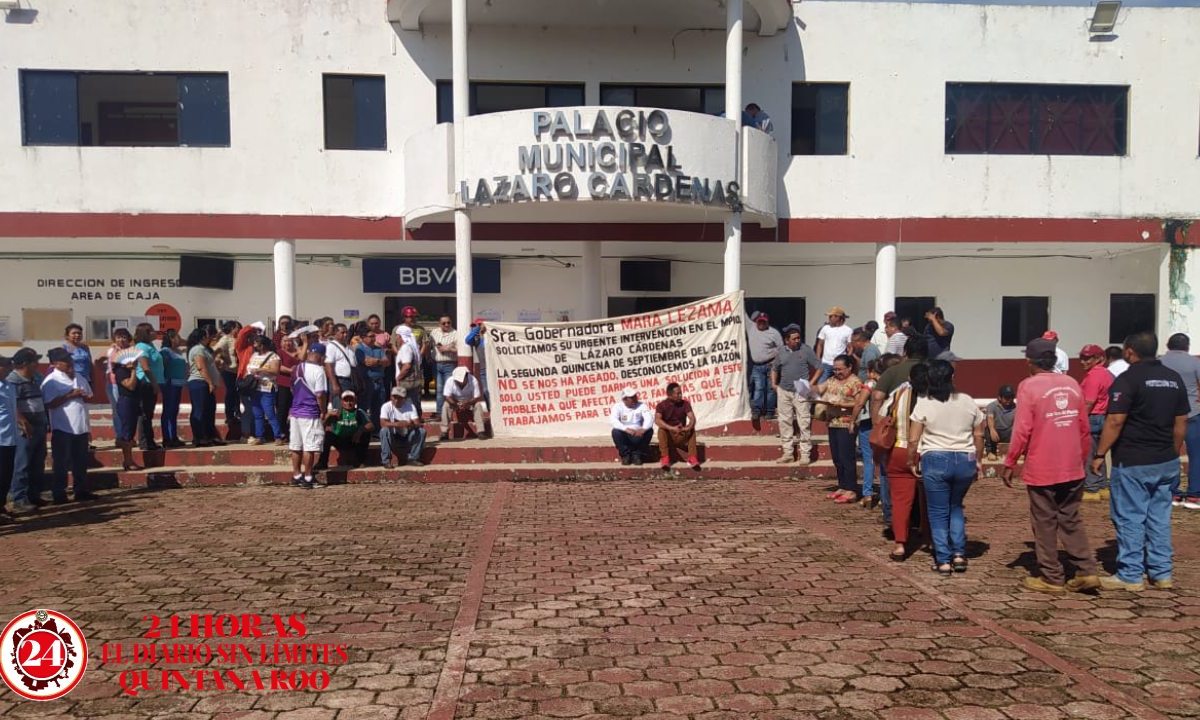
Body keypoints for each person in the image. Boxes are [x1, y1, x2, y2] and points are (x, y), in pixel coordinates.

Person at [1091, 332, 1189, 591]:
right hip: (1166, 459)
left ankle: (1130, 574)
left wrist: (1100, 454)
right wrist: (1172, 451)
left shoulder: (1127, 379)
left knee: (1130, 517)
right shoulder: (1173, 379)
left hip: (1133, 461)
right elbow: (1181, 424)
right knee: (1159, 517)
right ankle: (1161, 572)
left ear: (1130, 351)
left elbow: (1115, 420)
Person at [1000, 337, 1098, 593]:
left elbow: (1022, 428)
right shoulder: (1072, 384)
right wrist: (1082, 459)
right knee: (1071, 518)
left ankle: (1051, 576)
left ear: (1029, 362)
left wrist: (1010, 461)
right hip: (1072, 464)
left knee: (1044, 521)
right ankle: (1086, 569)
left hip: (1043, 466)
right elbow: (1083, 428)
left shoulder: (1028, 386)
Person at [908, 359, 984, 576]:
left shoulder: (924, 402)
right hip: (964, 458)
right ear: (952, 377)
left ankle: (943, 559)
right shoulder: (967, 401)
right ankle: (959, 553)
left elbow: (913, 440)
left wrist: (911, 461)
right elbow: (979, 434)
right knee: (956, 506)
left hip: (936, 457)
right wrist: (978, 460)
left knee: (938, 512)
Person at [878, 362, 928, 560]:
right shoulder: (937, 397)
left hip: (899, 448)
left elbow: (882, 413)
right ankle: (931, 538)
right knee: (931, 499)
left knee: (900, 501)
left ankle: (900, 544)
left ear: (910, 379)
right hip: (927, 451)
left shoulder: (900, 393)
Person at [42, 347, 96, 503]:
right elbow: (49, 403)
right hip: (63, 427)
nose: (69, 363)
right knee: (61, 462)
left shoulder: (79, 377)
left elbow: (89, 396)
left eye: (69, 360)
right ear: (55, 364)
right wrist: (70, 395)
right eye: (65, 361)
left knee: (81, 461)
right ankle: (59, 493)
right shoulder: (51, 380)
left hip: (81, 425)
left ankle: (81, 490)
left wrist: (83, 395)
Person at [815, 354, 868, 503]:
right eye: (835, 369)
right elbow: (819, 388)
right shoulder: (831, 380)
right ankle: (842, 485)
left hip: (847, 422)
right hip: (833, 422)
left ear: (849, 367)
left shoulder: (855, 382)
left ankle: (851, 488)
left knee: (847, 457)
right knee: (837, 457)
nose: (837, 372)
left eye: (840, 369)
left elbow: (859, 403)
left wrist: (842, 405)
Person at [1159, 333, 1200, 509]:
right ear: (1188, 346)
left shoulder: (1160, 361)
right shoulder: (1194, 362)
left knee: (1170, 453)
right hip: (1192, 412)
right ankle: (1194, 495)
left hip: (1167, 413)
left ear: (1168, 345)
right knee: (1196, 455)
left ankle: (1172, 491)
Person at [773, 329, 820, 465]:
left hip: (801, 386)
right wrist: (774, 384)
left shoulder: (806, 350)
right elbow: (775, 368)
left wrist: (810, 383)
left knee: (804, 421)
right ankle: (787, 453)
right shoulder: (781, 351)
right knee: (784, 421)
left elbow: (819, 366)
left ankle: (805, 454)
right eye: (794, 339)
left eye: (798, 338)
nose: (797, 340)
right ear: (787, 340)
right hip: (784, 388)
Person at [8, 348, 47, 512]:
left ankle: (34, 494)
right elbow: (12, 404)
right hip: (24, 427)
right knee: (22, 463)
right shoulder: (13, 381)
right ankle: (18, 498)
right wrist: (22, 421)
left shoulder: (36, 378)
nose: (37, 364)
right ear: (24, 364)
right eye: (33, 362)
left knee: (38, 462)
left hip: (39, 424)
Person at [289, 338, 329, 489]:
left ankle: (296, 475)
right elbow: (320, 394)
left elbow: (292, 389)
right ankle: (308, 477)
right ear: (320, 355)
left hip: (295, 411)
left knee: (296, 445)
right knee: (309, 447)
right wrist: (323, 410)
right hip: (310, 412)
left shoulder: (297, 368)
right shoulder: (319, 371)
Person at [1079, 344, 1114, 501]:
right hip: (1104, 417)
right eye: (1082, 357)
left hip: (1093, 417)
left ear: (1099, 358)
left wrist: (1080, 421)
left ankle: (1092, 488)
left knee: (1089, 453)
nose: (1083, 361)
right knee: (1100, 453)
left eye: (1087, 358)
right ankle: (1102, 485)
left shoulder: (1094, 376)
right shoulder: (1108, 374)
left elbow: (1089, 402)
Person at [186, 325, 223, 448]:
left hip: (206, 382)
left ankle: (209, 435)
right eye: (207, 335)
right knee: (199, 410)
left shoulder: (205, 349)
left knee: (209, 410)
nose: (209, 337)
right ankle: (199, 437)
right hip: (199, 382)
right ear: (202, 337)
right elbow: (201, 367)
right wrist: (210, 382)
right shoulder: (197, 349)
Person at [319, 390, 373, 469]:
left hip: (353, 440)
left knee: (366, 434)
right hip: (339, 439)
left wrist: (360, 431)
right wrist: (328, 415)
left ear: (355, 401)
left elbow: (371, 425)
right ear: (342, 401)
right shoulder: (336, 412)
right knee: (328, 435)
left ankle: (359, 461)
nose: (348, 403)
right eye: (346, 400)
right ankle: (322, 463)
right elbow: (321, 426)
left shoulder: (359, 412)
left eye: (351, 400)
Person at [130, 323, 163, 451]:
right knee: (144, 413)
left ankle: (149, 440)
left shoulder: (150, 345)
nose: (155, 333)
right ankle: (145, 441)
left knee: (149, 413)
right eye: (153, 331)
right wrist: (155, 384)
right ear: (147, 333)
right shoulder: (141, 346)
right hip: (146, 383)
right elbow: (145, 367)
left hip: (152, 382)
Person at [244, 335, 283, 445]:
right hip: (255, 387)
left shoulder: (273, 356)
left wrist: (261, 370)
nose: (256, 346)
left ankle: (278, 436)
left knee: (270, 413)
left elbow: (275, 371)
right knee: (257, 414)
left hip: (267, 387)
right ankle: (259, 436)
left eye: (258, 344)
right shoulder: (254, 355)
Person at [111, 350, 145, 472]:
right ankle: (127, 460)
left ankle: (129, 460)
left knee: (130, 433)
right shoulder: (121, 372)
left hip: (134, 402)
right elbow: (130, 385)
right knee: (127, 433)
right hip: (126, 402)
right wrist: (133, 370)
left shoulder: (127, 371)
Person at [655, 382, 700, 472]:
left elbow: (692, 418)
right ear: (670, 395)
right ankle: (665, 458)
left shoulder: (685, 404)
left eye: (681, 393)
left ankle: (692, 457)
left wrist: (687, 427)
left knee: (692, 430)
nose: (680, 395)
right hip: (669, 436)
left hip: (681, 433)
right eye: (678, 393)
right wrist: (671, 428)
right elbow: (657, 420)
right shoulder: (661, 405)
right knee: (661, 430)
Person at [747, 312, 783, 421]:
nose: (761, 324)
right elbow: (742, 313)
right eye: (759, 321)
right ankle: (757, 412)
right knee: (759, 388)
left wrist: (776, 361)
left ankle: (770, 412)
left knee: (771, 389)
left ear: (767, 322)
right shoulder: (751, 327)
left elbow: (782, 349)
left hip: (770, 364)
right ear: (756, 321)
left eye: (764, 322)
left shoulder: (774, 333)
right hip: (757, 365)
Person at [380, 386, 426, 468]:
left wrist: (409, 424)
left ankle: (413, 458)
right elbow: (383, 423)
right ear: (391, 397)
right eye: (394, 397)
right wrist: (397, 424)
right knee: (384, 431)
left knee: (421, 431)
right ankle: (386, 460)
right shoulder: (386, 406)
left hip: (407, 436)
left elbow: (417, 423)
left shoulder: (411, 406)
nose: (396, 400)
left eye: (400, 398)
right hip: (393, 437)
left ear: (404, 398)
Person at [103, 328, 134, 442]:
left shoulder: (132, 350)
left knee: (129, 410)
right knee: (117, 410)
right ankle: (120, 435)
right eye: (118, 337)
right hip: (114, 384)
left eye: (124, 337)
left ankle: (128, 435)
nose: (121, 340)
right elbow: (114, 361)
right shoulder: (112, 350)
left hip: (129, 383)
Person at [441, 366, 488, 441]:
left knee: (478, 405)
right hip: (455, 402)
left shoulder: (473, 380)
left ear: (466, 377)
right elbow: (447, 396)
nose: (459, 382)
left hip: (469, 402)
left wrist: (468, 403)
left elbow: (476, 397)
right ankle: (444, 431)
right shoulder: (450, 381)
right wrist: (456, 404)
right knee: (446, 405)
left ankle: (481, 431)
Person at [159, 329, 188, 448]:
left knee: (174, 411)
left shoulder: (177, 351)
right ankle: (167, 437)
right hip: (169, 383)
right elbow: (163, 367)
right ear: (171, 338)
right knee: (168, 410)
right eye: (177, 337)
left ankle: (174, 436)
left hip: (178, 384)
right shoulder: (165, 351)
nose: (179, 339)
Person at [610, 388, 654, 465]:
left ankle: (637, 455)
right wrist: (626, 429)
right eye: (631, 398)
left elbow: (649, 418)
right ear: (624, 399)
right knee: (615, 432)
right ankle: (625, 456)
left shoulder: (642, 405)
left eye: (635, 396)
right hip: (626, 434)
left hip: (638, 434)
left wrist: (643, 429)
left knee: (649, 430)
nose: (634, 399)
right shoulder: (618, 406)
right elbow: (614, 421)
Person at [357, 331, 390, 433]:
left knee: (378, 408)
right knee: (364, 408)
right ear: (363, 337)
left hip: (379, 382)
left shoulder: (379, 348)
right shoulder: (359, 349)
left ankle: (376, 431)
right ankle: (363, 431)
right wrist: (379, 361)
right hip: (367, 382)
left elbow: (387, 362)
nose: (373, 338)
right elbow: (367, 362)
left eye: (373, 336)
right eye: (370, 336)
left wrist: (378, 361)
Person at [0, 354, 20, 520]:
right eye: (6, 366)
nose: (9, 369)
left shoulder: (9, 386)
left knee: (6, 475)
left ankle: (1, 506)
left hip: (10, 438)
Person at [214, 321, 242, 431]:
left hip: (239, 371)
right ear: (231, 329)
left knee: (237, 392)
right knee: (231, 392)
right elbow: (215, 351)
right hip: (229, 371)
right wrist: (221, 360)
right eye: (237, 328)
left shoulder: (239, 339)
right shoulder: (225, 339)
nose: (239, 330)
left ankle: (237, 412)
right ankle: (229, 415)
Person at [323, 323, 357, 411]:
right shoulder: (331, 347)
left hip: (351, 381)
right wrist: (334, 384)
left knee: (350, 408)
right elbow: (328, 365)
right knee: (339, 408)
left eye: (346, 332)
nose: (345, 335)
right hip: (340, 381)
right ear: (335, 334)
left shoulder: (349, 347)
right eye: (342, 333)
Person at [815, 306, 852, 382]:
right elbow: (819, 344)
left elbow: (850, 347)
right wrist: (818, 359)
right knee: (821, 383)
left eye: (831, 316)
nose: (829, 318)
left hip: (840, 365)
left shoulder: (848, 330)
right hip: (826, 363)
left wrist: (846, 360)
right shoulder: (825, 328)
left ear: (838, 317)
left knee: (840, 384)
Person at [430, 316, 459, 416]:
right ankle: (439, 413)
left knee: (448, 390)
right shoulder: (434, 332)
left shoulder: (456, 334)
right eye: (444, 323)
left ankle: (448, 413)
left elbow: (461, 350)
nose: (446, 325)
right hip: (436, 364)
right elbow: (430, 346)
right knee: (439, 389)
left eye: (448, 322)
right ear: (439, 324)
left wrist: (449, 349)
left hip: (449, 364)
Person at [394, 325, 425, 415]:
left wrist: (398, 378)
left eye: (397, 336)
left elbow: (407, 366)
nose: (396, 338)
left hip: (407, 383)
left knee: (408, 406)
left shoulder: (406, 348)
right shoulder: (412, 347)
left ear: (401, 336)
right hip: (413, 382)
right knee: (414, 404)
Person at [983, 385, 1016, 461]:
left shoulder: (1016, 407)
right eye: (1006, 398)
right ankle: (991, 452)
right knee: (988, 429)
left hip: (1009, 432)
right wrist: (992, 429)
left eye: (1011, 397)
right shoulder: (992, 406)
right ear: (999, 398)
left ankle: (1016, 452)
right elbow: (990, 417)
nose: (1009, 400)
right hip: (996, 431)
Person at [465, 319, 489, 403]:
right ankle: (491, 409)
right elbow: (467, 340)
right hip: (483, 370)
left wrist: (483, 328)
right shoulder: (476, 339)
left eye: (478, 325)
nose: (476, 327)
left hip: (493, 369)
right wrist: (477, 329)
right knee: (486, 391)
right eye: (474, 326)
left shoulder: (490, 336)